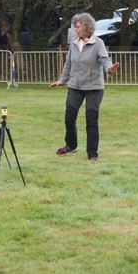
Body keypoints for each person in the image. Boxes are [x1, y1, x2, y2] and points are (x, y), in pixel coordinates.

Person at [50, 12, 120, 162]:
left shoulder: (98, 43)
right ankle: (70, 145)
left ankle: (92, 153)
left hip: (94, 87)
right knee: (69, 116)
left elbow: (105, 59)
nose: (76, 29)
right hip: (75, 86)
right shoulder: (74, 44)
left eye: (78, 26)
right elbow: (68, 64)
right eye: (75, 26)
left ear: (87, 28)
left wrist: (110, 69)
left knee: (91, 119)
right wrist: (62, 80)